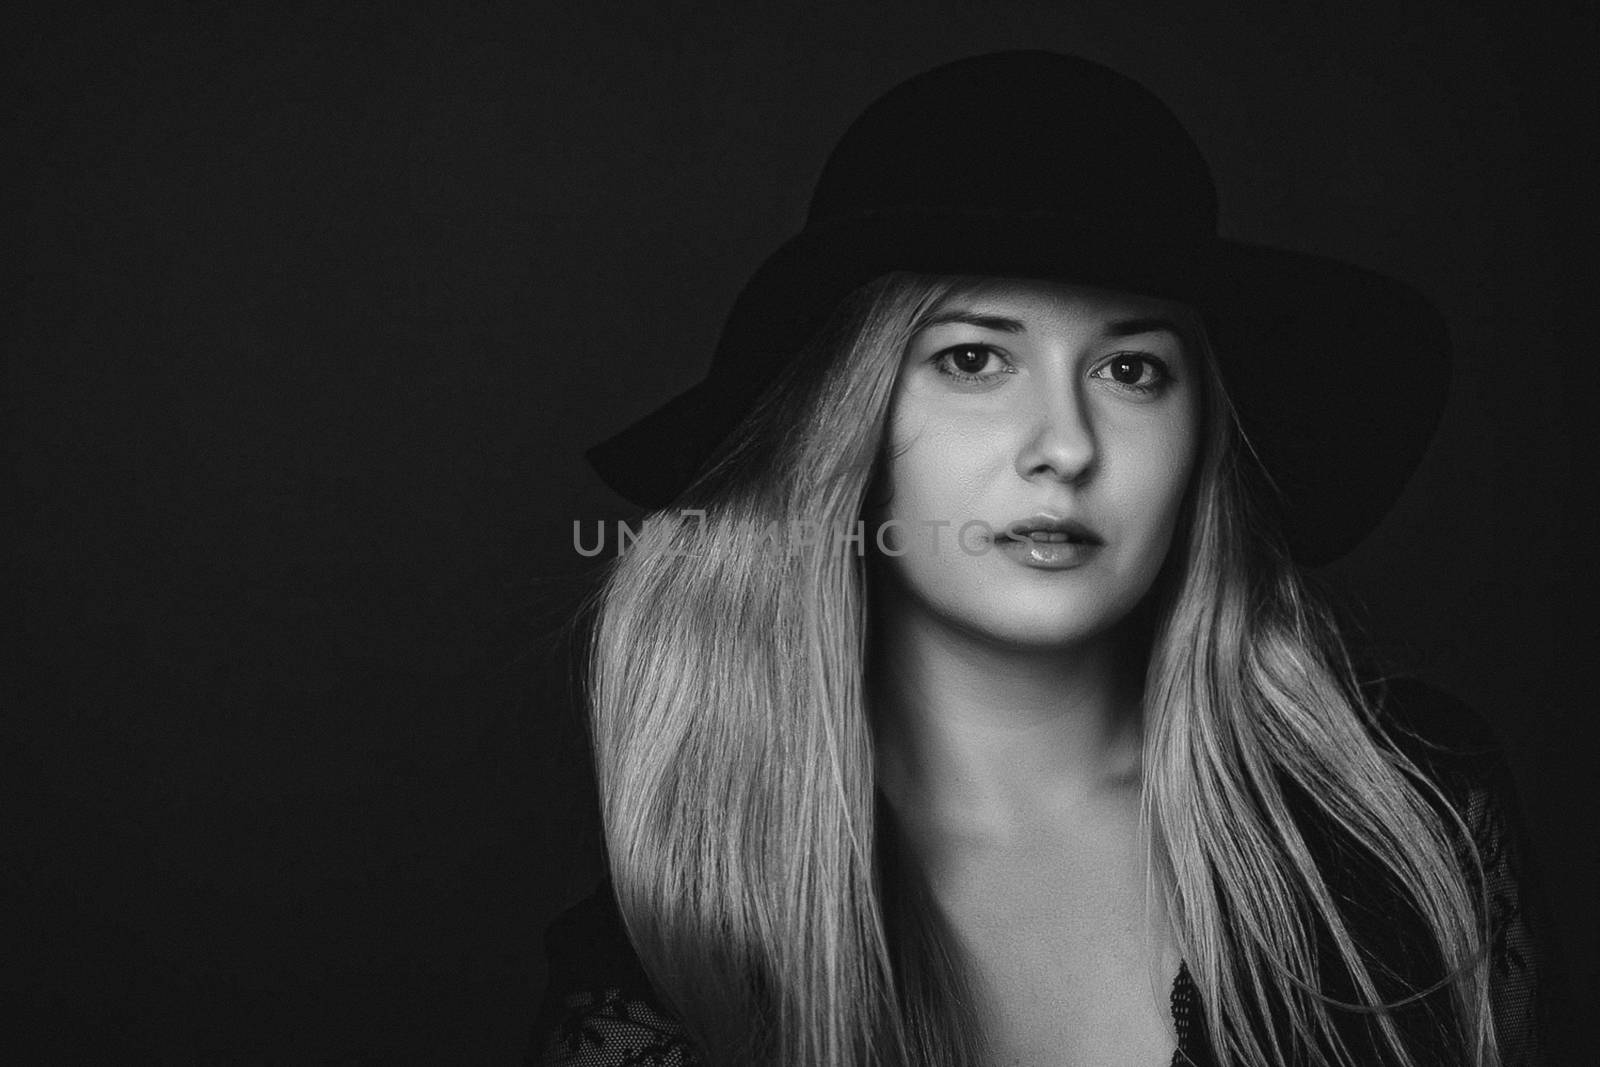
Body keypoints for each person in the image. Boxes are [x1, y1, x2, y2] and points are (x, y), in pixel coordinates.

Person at [531, 52, 1548, 1067]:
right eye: (973, 358)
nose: (1064, 443)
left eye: (1131, 367)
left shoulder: (1402, 817)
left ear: (1204, 440)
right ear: (848, 426)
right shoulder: (679, 955)